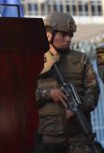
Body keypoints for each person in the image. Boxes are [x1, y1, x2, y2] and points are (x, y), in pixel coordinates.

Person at [35, 12, 100, 152]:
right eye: (63, 35)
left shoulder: (81, 60)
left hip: (79, 134)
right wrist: (49, 94)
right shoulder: (36, 61)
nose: (68, 39)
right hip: (48, 136)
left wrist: (79, 105)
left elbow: (93, 92)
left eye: (70, 35)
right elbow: (23, 96)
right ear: (49, 34)